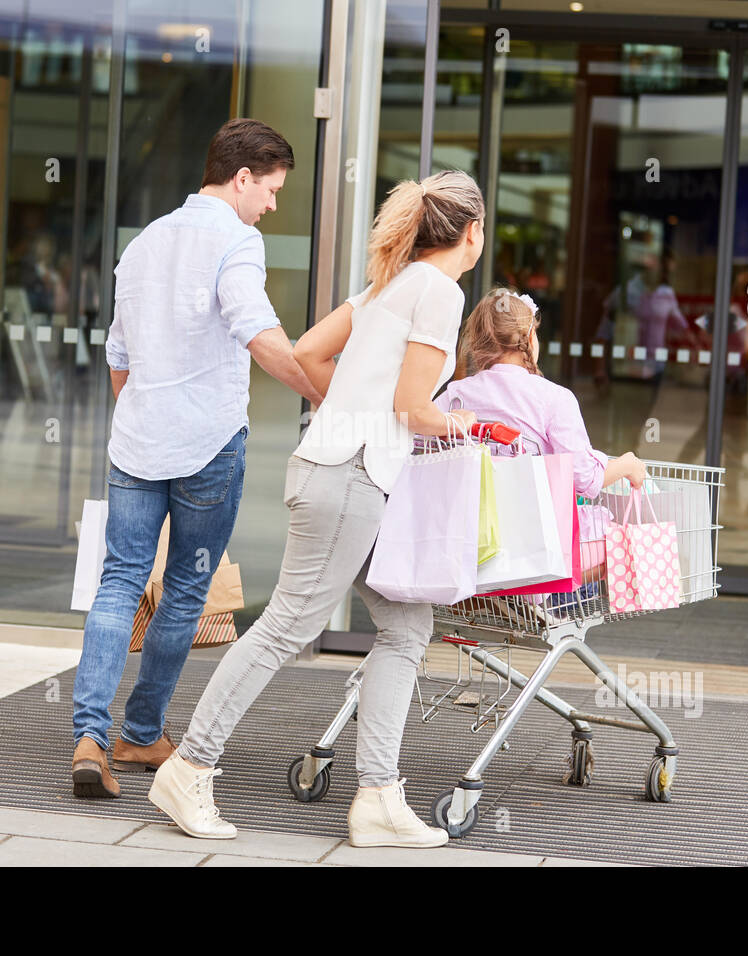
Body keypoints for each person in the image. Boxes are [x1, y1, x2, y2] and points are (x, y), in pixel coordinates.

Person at [147, 170, 486, 848]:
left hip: (333, 468)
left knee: (405, 626)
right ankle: (189, 767)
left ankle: (380, 797)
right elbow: (413, 407)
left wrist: (358, 405)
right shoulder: (439, 292)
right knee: (283, 629)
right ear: (472, 233)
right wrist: (465, 427)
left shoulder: (386, 287)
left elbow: (304, 352)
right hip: (351, 478)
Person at [71, 118, 323, 799]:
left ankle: (89, 737)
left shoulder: (145, 242)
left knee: (119, 581)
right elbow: (257, 331)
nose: (271, 204)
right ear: (242, 178)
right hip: (208, 445)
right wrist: (322, 389)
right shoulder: (238, 241)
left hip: (137, 439)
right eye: (270, 189)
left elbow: (118, 355)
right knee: (185, 587)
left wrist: (143, 413)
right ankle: (142, 731)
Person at [436, 287, 647, 495]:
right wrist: (627, 464)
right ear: (529, 339)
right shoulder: (555, 399)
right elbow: (584, 479)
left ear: (476, 344)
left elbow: (419, 439)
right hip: (531, 523)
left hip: (467, 518)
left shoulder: (456, 395)